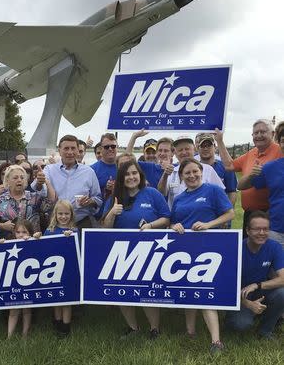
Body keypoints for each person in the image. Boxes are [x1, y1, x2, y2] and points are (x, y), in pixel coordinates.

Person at [170, 158, 234, 354]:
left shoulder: (212, 190)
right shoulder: (179, 198)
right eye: (187, 173)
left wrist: (208, 225)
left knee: (205, 293)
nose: (191, 176)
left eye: (195, 172)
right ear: (181, 176)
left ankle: (216, 341)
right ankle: (190, 332)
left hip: (209, 248)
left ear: (201, 172)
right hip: (185, 250)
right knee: (191, 291)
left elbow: (230, 214)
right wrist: (175, 226)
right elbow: (173, 223)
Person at [102, 161, 170, 339]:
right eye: (127, 174)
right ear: (121, 178)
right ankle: (133, 327)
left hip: (149, 250)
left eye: (134, 173)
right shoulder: (115, 197)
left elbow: (166, 218)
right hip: (121, 251)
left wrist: (151, 225)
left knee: (147, 290)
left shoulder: (152, 193)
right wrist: (111, 213)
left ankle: (154, 328)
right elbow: (105, 229)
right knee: (124, 291)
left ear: (140, 175)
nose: (131, 177)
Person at [215, 119, 283, 235]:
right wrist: (220, 141)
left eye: (263, 132)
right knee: (249, 249)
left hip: (270, 214)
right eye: (256, 133)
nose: (259, 135)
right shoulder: (252, 153)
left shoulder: (280, 150)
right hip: (250, 213)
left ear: (273, 134)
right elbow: (230, 165)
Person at [224, 211, 284, 339]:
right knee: (241, 324)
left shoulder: (274, 246)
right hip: (238, 295)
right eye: (257, 229)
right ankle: (234, 317)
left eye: (265, 229)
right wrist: (247, 303)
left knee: (282, 293)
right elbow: (223, 285)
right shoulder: (235, 247)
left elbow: (283, 279)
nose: (262, 233)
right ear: (248, 230)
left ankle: (265, 331)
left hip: (260, 290)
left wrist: (257, 285)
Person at [36, 135, 102, 230]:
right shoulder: (49, 170)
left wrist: (89, 201)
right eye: (66, 148)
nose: (70, 152)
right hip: (56, 224)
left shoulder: (89, 172)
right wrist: (39, 182)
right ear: (59, 150)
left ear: (77, 150)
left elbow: (98, 199)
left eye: (73, 148)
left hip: (81, 223)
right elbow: (39, 189)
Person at [237, 127, 284, 246]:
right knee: (277, 265)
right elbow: (241, 186)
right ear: (279, 143)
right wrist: (251, 174)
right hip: (277, 231)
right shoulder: (271, 167)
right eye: (283, 141)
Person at [158, 136, 225, 208]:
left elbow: (221, 194)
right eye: (180, 150)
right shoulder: (172, 171)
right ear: (175, 153)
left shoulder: (208, 169)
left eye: (187, 149)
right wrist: (165, 175)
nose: (184, 152)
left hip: (202, 218)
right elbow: (162, 193)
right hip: (177, 217)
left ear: (194, 150)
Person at [0, 165, 55, 238]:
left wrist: (46, 182)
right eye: (15, 178)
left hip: (34, 241)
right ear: (7, 180)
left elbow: (50, 204)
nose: (19, 180)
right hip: (10, 244)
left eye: (22, 178)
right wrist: (2, 226)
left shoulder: (34, 198)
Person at [43, 200, 77, 336]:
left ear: (71, 215)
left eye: (67, 214)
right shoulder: (49, 230)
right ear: (55, 215)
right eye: (60, 213)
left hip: (68, 270)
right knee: (56, 298)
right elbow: (44, 249)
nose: (63, 216)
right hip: (52, 271)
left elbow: (78, 250)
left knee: (66, 300)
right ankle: (57, 321)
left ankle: (66, 326)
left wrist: (70, 238)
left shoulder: (74, 231)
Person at [4, 219, 41, 338]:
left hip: (29, 281)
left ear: (29, 232)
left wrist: (34, 238)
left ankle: (25, 334)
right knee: (13, 309)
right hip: (14, 282)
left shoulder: (33, 243)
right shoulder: (9, 244)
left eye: (24, 232)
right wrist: (1, 243)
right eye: (18, 232)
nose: (21, 235)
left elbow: (40, 240)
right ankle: (9, 336)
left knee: (27, 309)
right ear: (14, 233)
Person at [196, 134, 237, 207]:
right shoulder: (194, 169)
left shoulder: (225, 167)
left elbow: (232, 192)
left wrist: (228, 212)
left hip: (219, 210)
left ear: (215, 147)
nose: (206, 149)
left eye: (209, 145)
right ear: (198, 148)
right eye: (202, 146)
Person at [91, 134, 117, 213]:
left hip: (121, 215)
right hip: (99, 216)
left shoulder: (123, 166)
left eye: (113, 146)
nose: (110, 149)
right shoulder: (92, 170)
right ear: (101, 149)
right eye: (106, 147)